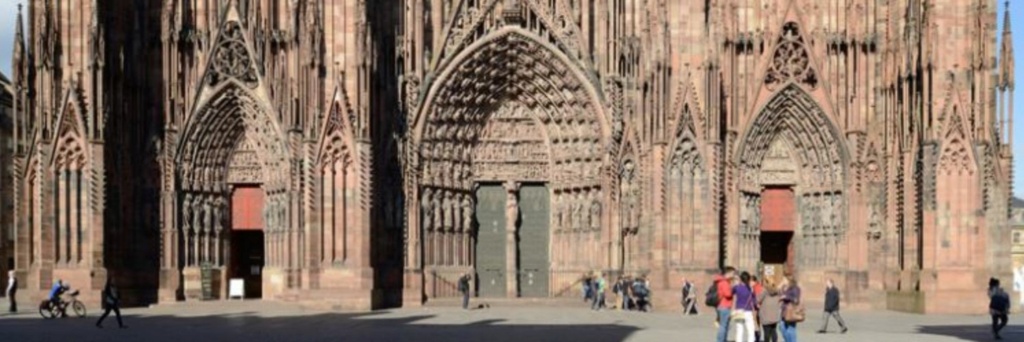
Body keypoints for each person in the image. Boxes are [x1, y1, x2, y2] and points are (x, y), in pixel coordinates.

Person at [732, 272, 757, 342]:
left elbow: (731, 292)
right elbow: (754, 299)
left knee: (739, 330)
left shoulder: (737, 287)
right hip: (748, 310)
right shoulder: (750, 289)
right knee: (751, 330)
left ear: (740, 279)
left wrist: (736, 283)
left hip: (739, 310)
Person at [714, 267, 737, 342]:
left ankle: (722, 339)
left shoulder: (723, 281)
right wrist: (733, 287)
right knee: (723, 326)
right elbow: (728, 294)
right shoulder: (724, 282)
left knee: (724, 325)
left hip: (723, 306)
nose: (734, 275)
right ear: (728, 273)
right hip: (724, 306)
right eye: (733, 273)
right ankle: (721, 340)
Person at [780, 276, 802, 342]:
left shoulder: (795, 288)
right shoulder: (785, 288)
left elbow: (796, 300)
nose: (783, 281)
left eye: (784, 280)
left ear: (789, 280)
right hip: (785, 311)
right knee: (782, 327)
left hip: (791, 311)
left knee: (791, 329)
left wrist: (786, 297)